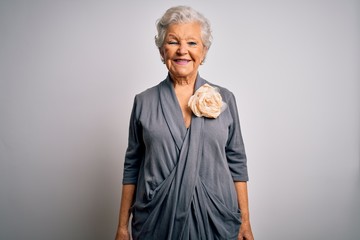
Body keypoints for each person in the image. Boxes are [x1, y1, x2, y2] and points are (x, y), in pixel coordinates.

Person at [115, 6, 254, 240]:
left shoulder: (225, 99)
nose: (182, 51)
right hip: (156, 218)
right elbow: (132, 166)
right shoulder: (143, 102)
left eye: (192, 43)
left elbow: (237, 162)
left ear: (204, 51)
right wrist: (121, 227)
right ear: (161, 51)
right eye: (173, 42)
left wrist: (246, 223)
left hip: (215, 216)